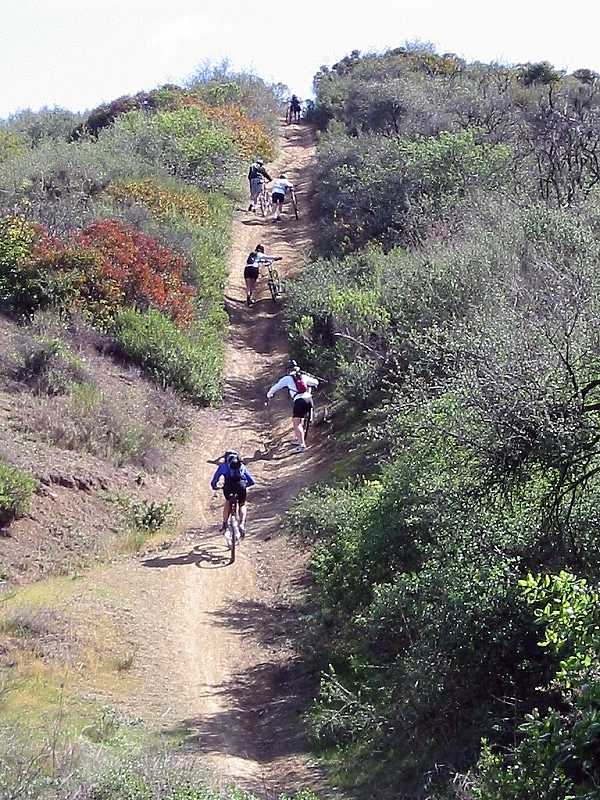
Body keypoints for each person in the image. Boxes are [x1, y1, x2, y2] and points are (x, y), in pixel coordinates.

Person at [266, 361, 318, 453]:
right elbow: (316, 382)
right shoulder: (303, 376)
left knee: (296, 423)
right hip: (309, 399)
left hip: (299, 401)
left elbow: (276, 387)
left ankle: (302, 445)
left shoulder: (287, 378)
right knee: (300, 420)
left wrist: (269, 394)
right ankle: (299, 438)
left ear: (288, 370)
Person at [210, 450, 255, 539]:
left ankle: (225, 523)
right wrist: (245, 486)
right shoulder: (241, 466)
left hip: (228, 486)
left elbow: (215, 479)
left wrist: (215, 486)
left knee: (228, 502)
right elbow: (251, 481)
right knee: (242, 504)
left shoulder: (223, 466)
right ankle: (241, 524)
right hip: (241, 486)